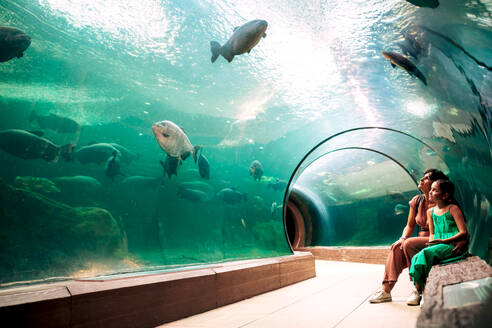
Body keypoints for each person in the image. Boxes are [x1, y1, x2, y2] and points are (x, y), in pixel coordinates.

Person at [369, 169, 453, 304]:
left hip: (438, 239)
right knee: (396, 247)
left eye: (426, 178)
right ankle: (385, 291)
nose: (421, 180)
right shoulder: (417, 200)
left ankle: (418, 288)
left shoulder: (443, 200)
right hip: (422, 239)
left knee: (409, 244)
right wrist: (402, 238)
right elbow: (409, 226)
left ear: (436, 183)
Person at [408, 179, 469, 305]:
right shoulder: (430, 212)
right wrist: (432, 243)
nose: (430, 192)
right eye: (430, 189)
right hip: (439, 244)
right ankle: (421, 289)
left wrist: (444, 240)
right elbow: (432, 234)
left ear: (445, 195)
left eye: (434, 190)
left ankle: (425, 291)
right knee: (416, 258)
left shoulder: (453, 209)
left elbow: (464, 232)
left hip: (451, 245)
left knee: (425, 255)